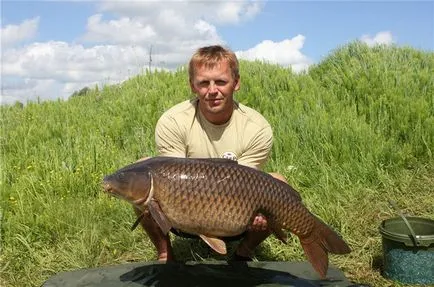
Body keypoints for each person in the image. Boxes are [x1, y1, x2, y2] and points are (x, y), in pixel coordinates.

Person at [135, 45, 287, 262]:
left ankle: (243, 252)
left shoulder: (256, 127)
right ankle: (165, 253)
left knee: (279, 183)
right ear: (193, 86)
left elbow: (247, 185)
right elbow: (171, 181)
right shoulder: (173, 121)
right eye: (204, 83)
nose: (212, 90)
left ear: (236, 83)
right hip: (180, 213)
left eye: (221, 82)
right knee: (144, 172)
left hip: (237, 216)